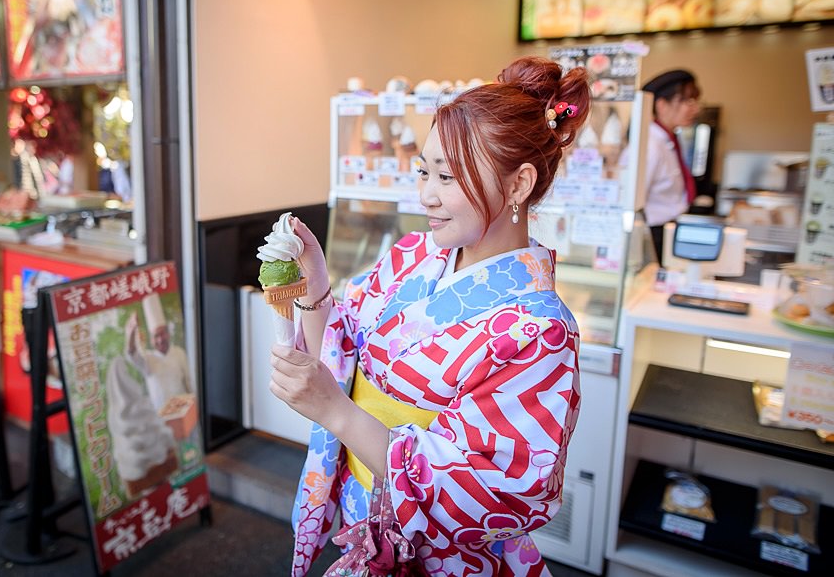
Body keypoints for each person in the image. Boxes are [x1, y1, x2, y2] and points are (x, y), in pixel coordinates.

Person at [271, 56, 589, 576]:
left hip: (443, 558)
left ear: (518, 184)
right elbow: (343, 339)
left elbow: (492, 489)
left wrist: (339, 413)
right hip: (365, 521)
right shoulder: (413, 254)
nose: (426, 195)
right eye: (425, 171)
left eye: (448, 176)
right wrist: (317, 282)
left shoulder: (541, 331)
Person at [637, 69, 701, 264]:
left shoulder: (667, 139)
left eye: (695, 101)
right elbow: (635, 202)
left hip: (669, 230)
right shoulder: (649, 144)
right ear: (662, 105)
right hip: (653, 234)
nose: (694, 108)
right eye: (686, 101)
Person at [125, 294, 192, 413]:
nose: (160, 339)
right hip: (162, 420)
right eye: (156, 336)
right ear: (151, 340)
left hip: (186, 412)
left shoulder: (179, 353)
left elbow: (190, 383)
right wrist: (131, 332)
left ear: (168, 333)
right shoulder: (147, 359)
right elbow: (132, 354)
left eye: (163, 334)